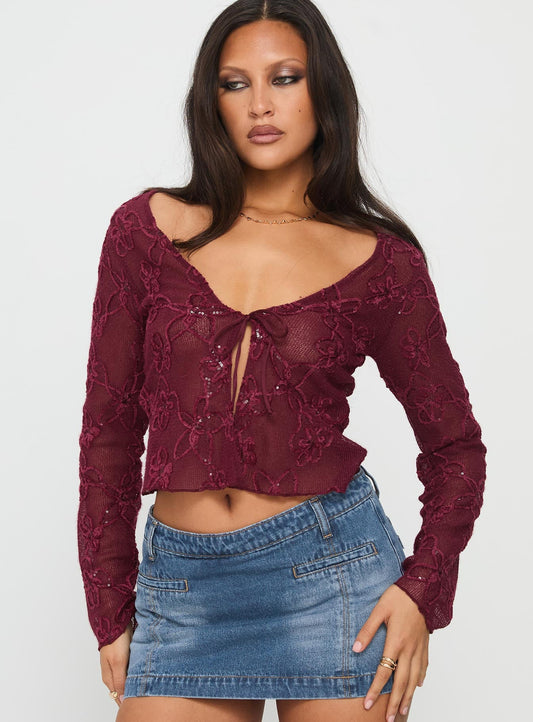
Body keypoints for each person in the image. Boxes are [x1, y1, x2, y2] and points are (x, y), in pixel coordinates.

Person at [77, 1, 487, 721]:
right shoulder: (145, 232)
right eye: (234, 83)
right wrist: (109, 603)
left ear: (322, 90)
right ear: (211, 102)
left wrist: (421, 590)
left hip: (334, 581)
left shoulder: (381, 262)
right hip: (182, 591)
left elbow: (455, 449)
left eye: (285, 77)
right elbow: (108, 431)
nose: (259, 105)